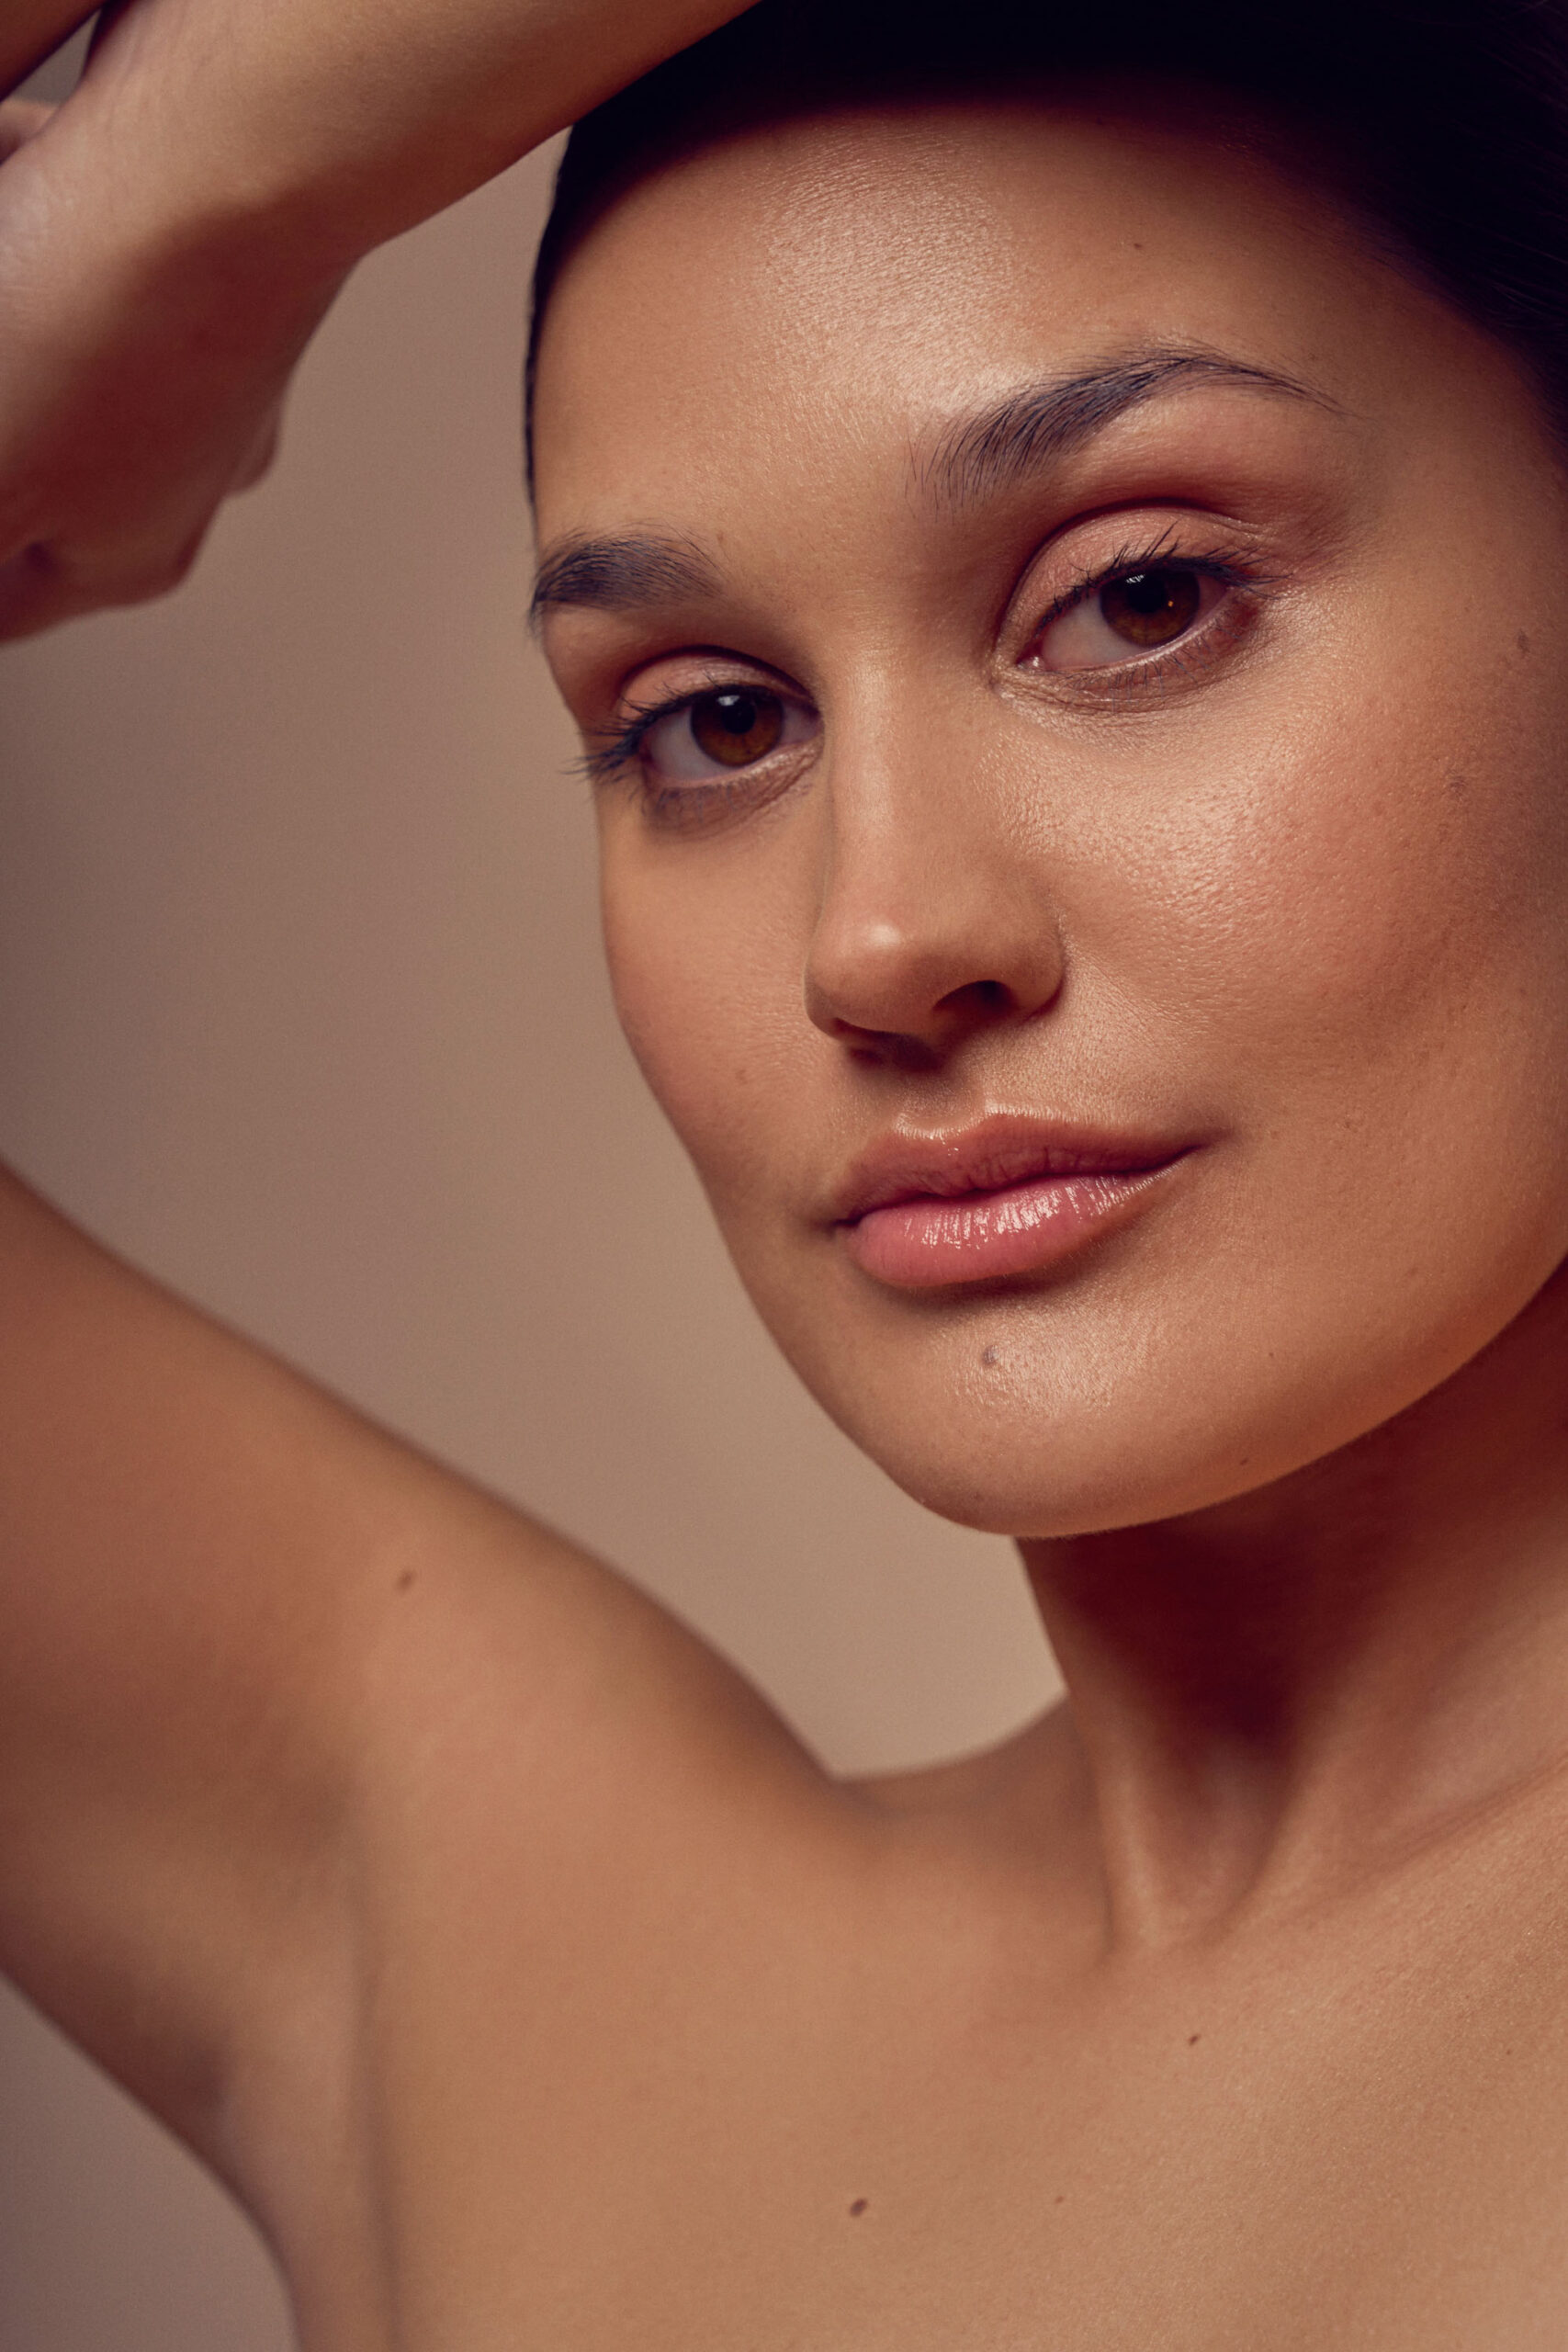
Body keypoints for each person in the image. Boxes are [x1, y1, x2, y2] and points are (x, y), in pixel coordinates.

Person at [6, 0, 1568, 2340]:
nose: (882, 932)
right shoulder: (477, 1954)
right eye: (709, 720)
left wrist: (213, 186)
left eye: (1136, 595)